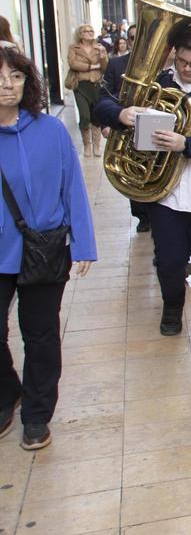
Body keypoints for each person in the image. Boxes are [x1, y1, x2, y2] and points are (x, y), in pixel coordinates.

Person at [95, 25, 191, 363]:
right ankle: (173, 305)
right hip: (164, 194)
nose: (186, 69)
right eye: (181, 61)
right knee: (170, 262)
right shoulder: (156, 86)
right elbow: (100, 106)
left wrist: (187, 144)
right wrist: (121, 115)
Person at [0, 49, 96, 450]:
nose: (7, 85)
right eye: (0, 77)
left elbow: (72, 185)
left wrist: (84, 243)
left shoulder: (50, 131)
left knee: (40, 335)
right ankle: (8, 394)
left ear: (28, 83)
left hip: (43, 248)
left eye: (16, 77)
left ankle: (37, 414)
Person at [100, 42, 150, 232]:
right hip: (129, 128)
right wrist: (115, 117)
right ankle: (142, 215)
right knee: (134, 171)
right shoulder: (117, 64)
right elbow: (104, 97)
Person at [66, 23, 109, 157]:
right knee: (85, 115)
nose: (90, 33)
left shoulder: (99, 47)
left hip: (96, 84)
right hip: (81, 85)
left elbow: (104, 68)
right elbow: (73, 64)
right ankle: (87, 145)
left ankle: (96, 146)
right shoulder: (74, 48)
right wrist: (91, 66)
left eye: (91, 30)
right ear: (80, 34)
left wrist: (102, 56)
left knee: (96, 115)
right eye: (86, 31)